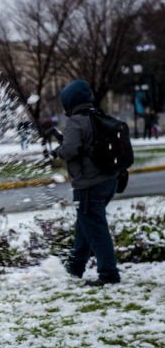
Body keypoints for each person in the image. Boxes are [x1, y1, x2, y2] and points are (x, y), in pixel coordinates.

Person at [54, 80, 121, 287]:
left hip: (88, 185)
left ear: (69, 102)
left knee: (96, 229)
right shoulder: (97, 116)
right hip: (108, 181)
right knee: (85, 225)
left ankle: (109, 273)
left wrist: (58, 151)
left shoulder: (76, 121)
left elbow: (70, 149)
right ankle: (75, 266)